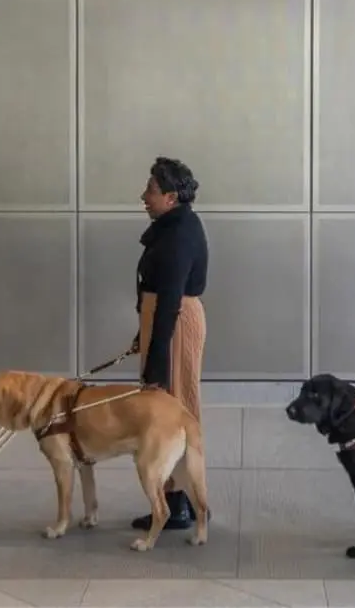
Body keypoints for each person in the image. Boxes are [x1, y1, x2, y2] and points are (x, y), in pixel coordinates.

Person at [128, 156, 209, 533]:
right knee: (170, 409)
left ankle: (178, 502)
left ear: (171, 197)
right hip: (163, 321)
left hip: (172, 322)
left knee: (172, 410)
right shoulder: (173, 225)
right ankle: (182, 500)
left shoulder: (179, 233)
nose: (144, 196)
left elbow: (170, 299)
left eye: (151, 190)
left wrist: (156, 363)